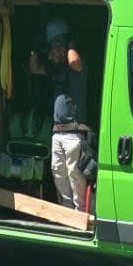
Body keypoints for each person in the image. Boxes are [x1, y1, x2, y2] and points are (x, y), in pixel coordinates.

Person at [31, 19, 91, 211]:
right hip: (58, 132)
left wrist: (70, 45)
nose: (52, 53)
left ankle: (80, 211)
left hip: (74, 132)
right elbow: (34, 68)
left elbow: (73, 61)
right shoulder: (54, 70)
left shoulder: (77, 68)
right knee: (58, 173)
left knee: (75, 174)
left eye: (56, 48)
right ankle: (67, 210)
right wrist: (34, 50)